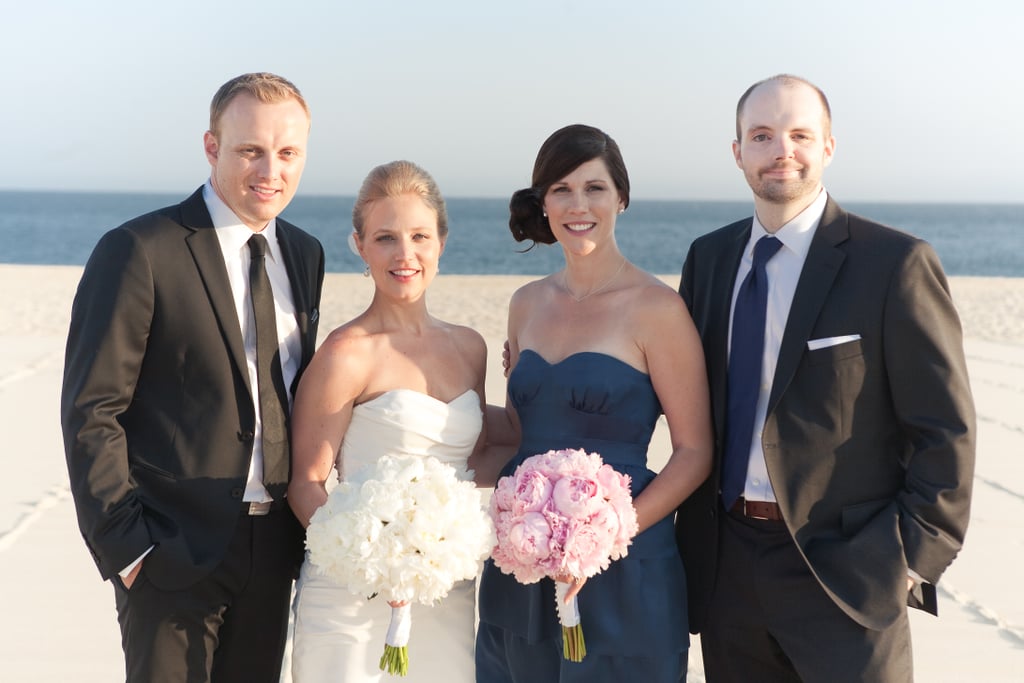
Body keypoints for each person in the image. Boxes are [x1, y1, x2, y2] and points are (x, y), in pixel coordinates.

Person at [675, 74, 976, 682]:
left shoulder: (894, 263)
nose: (781, 149)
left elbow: (945, 429)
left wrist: (911, 560)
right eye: (761, 136)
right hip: (727, 571)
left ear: (829, 147)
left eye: (799, 134)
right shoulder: (707, 260)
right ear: (737, 153)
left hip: (849, 577)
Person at [60, 72, 325, 682]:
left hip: (275, 548)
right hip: (168, 549)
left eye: (288, 153)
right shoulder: (139, 249)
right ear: (212, 147)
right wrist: (126, 547)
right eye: (250, 150)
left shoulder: (304, 254)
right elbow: (92, 409)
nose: (271, 170)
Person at [476, 124, 713, 682]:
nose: (578, 205)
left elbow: (694, 451)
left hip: (623, 561)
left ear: (621, 199)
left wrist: (611, 532)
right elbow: (517, 429)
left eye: (595, 188)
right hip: (524, 560)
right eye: (561, 189)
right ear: (544, 202)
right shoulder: (526, 303)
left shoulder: (658, 309)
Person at [287, 160, 493, 682]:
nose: (405, 255)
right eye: (385, 238)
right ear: (359, 246)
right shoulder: (346, 352)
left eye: (420, 236)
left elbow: (478, 453)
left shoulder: (470, 348)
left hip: (445, 590)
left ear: (442, 241)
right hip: (353, 594)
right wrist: (379, 564)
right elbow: (306, 483)